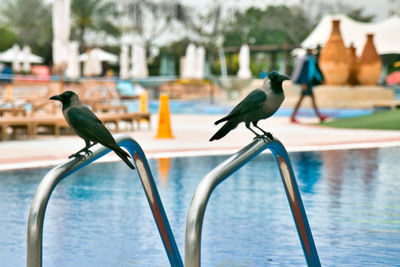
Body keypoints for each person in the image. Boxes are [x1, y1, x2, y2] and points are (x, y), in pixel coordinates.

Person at [290, 47, 327, 123]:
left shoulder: (312, 59)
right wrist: (303, 83)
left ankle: (292, 117)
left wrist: (321, 79)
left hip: (309, 82)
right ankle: (319, 117)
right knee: (310, 99)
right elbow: (302, 73)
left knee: (304, 99)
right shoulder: (304, 59)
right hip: (306, 83)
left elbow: (315, 70)